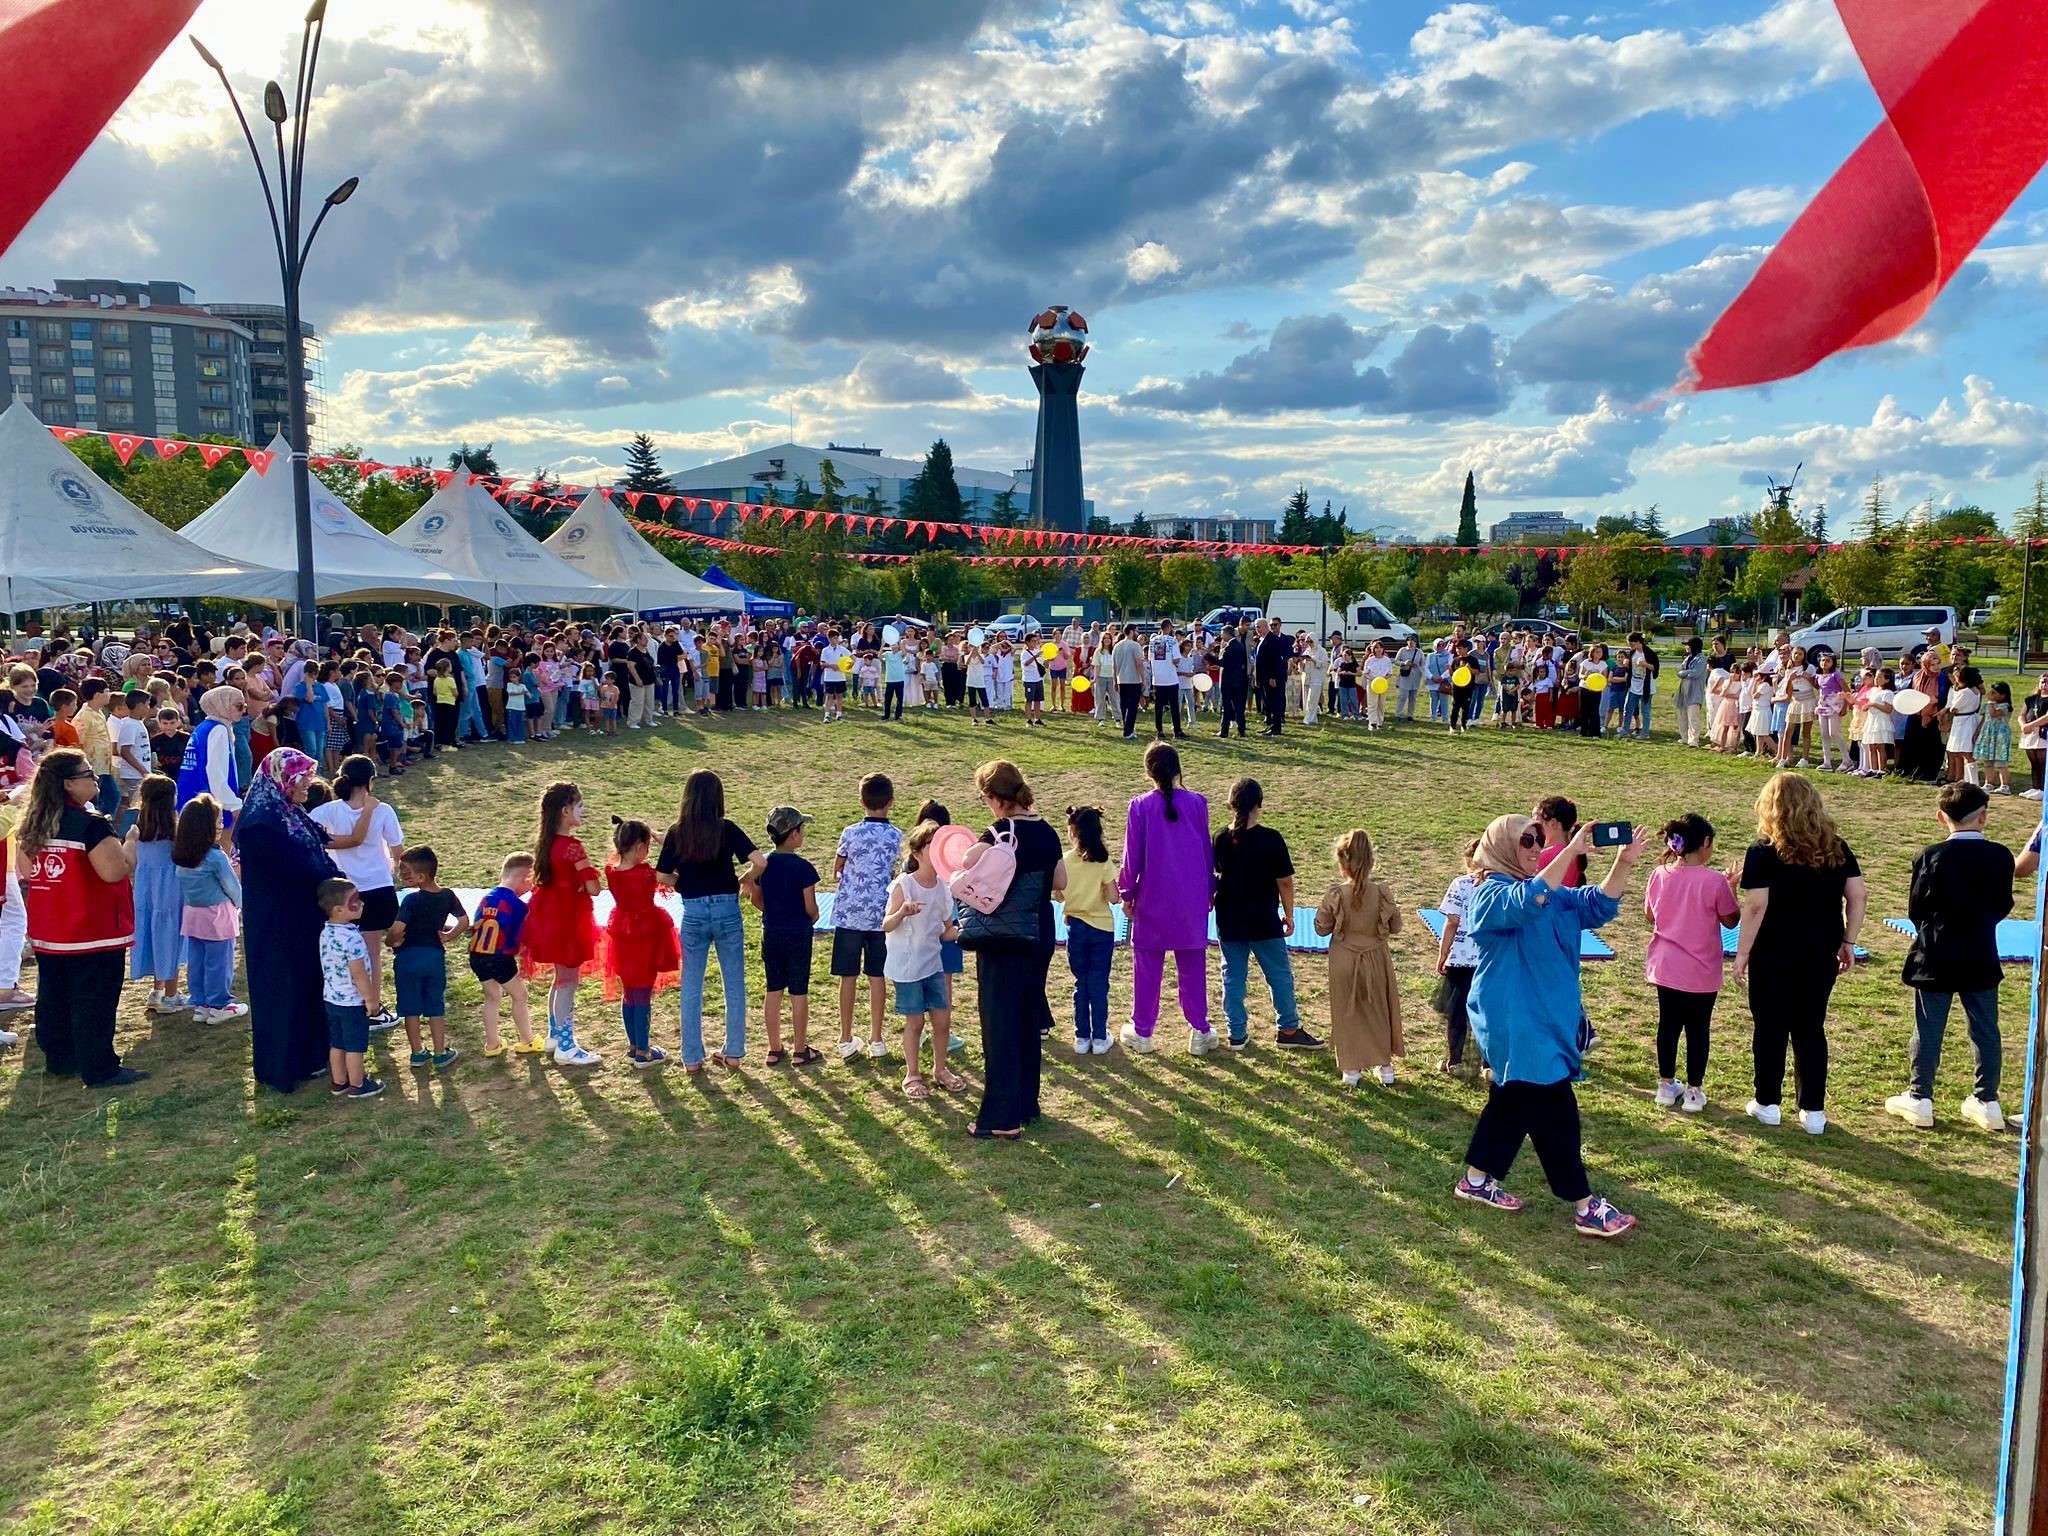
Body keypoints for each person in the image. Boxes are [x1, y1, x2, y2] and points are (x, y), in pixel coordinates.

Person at [1454, 814, 1649, 1238]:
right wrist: (1570, 853)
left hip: (1545, 1017)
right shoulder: (1489, 894)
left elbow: (1598, 904)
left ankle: (1475, 1180)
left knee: (1512, 1102)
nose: (1532, 847)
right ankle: (1584, 1205)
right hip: (1516, 1020)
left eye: (1538, 840)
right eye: (1525, 840)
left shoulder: (1551, 895)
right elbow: (1526, 901)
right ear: (1501, 845)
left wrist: (1624, 863)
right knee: (1555, 1109)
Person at [1733, 772, 1867, 1135]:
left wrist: (1742, 953)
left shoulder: (1763, 851)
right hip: (1821, 949)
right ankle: (1813, 1111)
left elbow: (1756, 906)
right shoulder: (1835, 847)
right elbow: (1858, 895)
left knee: (1770, 1026)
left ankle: (1767, 1103)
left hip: (1773, 951)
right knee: (1811, 1026)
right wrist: (1849, 941)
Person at [1886, 782, 2014, 1131]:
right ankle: (1987, 1099)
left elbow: (1917, 909)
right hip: (1981, 952)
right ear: (1984, 816)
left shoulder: (1930, 856)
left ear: (1941, 817)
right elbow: (2004, 904)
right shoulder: (2001, 856)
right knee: (1986, 1028)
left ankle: (1920, 1096)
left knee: (1928, 1027)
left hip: (1935, 954)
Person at [16, 748, 142, 1086]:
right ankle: (99, 1067)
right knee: (94, 1000)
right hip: (92, 928)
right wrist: (130, 844)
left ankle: (60, 1059)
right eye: (88, 773)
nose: (96, 778)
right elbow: (114, 872)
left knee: (54, 996)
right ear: (69, 784)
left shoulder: (34, 823)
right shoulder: (90, 825)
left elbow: (27, 872)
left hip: (51, 927)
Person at [236, 748, 348, 1093]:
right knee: (282, 988)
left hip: (302, 915)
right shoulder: (262, 823)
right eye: (301, 779)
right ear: (282, 778)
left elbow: (316, 852)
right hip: (278, 921)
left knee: (307, 985)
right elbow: (300, 866)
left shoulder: (289, 811)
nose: (307, 786)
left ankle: (310, 1056)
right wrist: (334, 880)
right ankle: (282, 1065)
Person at [963, 759, 1063, 1138]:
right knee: (1026, 1019)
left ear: (995, 797)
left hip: (1003, 936)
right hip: (1039, 933)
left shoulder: (1000, 831)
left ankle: (1001, 1118)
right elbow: (1058, 879)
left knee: (999, 1023)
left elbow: (965, 863)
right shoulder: (1048, 831)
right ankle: (1026, 1103)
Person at [1117, 743, 1216, 1054]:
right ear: (1178, 770)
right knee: (1193, 965)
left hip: (1153, 898)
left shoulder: (1140, 807)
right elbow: (1205, 851)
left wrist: (1127, 892)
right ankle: (1200, 1029)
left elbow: (1131, 857)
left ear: (1149, 772)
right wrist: (1209, 890)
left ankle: (1142, 1030)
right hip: (1190, 898)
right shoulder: (1197, 804)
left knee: (1147, 966)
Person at [1643, 813, 1739, 1113]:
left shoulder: (1659, 874)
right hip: (1701, 970)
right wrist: (1732, 887)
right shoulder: (1714, 881)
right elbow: (1731, 920)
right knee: (1699, 1029)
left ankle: (1665, 1084)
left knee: (1668, 1026)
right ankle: (1694, 1091)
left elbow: (1650, 915)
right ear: (1706, 843)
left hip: (1666, 967)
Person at [1212, 778, 1310, 1050]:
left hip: (1229, 921)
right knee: (1279, 976)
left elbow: (1214, 877)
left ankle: (1236, 1034)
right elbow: (1285, 882)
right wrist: (1289, 916)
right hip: (1264, 922)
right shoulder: (1271, 839)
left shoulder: (1220, 837)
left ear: (1231, 805)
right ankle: (1288, 1030)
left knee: (1233, 978)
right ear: (1260, 804)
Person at [311, 755, 403, 1029]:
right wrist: (396, 870)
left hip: (343, 892)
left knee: (344, 954)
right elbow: (398, 851)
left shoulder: (326, 812)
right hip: (377, 888)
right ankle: (373, 1008)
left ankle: (348, 1004)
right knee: (371, 954)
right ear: (370, 782)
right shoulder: (382, 810)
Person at [522, 780, 604, 1068]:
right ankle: (566, 1046)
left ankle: (555, 1036)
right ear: (566, 810)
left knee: (561, 980)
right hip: (569, 920)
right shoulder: (572, 847)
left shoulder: (547, 843)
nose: (584, 811)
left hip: (550, 918)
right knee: (569, 981)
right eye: (580, 806)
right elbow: (594, 887)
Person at [1312, 828, 1403, 1086]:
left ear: (1342, 863)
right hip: (1376, 959)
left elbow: (1320, 928)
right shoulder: (1383, 892)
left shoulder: (1336, 895)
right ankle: (1385, 1067)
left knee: (1347, 1013)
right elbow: (1395, 927)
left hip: (1344, 960)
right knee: (1379, 1011)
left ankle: (1351, 1070)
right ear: (1372, 861)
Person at [883, 820, 964, 1100]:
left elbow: (946, 932)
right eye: (933, 845)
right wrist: (902, 912)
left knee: (942, 1020)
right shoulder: (903, 886)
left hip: (933, 965)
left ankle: (940, 1070)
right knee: (915, 1023)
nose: (940, 850)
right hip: (906, 969)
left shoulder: (944, 889)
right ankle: (912, 1074)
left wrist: (968, 930)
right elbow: (886, 925)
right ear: (917, 852)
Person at [830, 773, 901, 1061]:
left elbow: (838, 867)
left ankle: (846, 1037)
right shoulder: (896, 835)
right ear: (891, 802)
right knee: (877, 976)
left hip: (849, 915)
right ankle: (876, 1038)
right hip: (881, 916)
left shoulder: (850, 833)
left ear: (861, 801)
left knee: (847, 976)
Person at [607, 818, 682, 1070]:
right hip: (646, 935)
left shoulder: (611, 871)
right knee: (643, 994)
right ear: (640, 847)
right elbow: (672, 879)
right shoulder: (646, 873)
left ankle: (632, 1045)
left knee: (629, 992)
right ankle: (644, 1051)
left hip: (622, 934)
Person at [386, 845, 466, 1069]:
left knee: (410, 1008)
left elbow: (397, 928)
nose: (402, 875)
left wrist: (390, 941)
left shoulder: (411, 901)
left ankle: (418, 1052)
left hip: (408, 959)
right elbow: (464, 921)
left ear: (421, 877)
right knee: (435, 1005)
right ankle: (440, 1053)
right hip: (434, 958)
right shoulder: (448, 895)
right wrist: (448, 937)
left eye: (405, 871)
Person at [754, 806, 822, 1067]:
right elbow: (810, 907)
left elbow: (756, 899)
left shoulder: (764, 865)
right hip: (798, 934)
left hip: (771, 931)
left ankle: (774, 1048)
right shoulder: (803, 868)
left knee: (773, 989)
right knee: (798, 991)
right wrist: (813, 917)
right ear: (794, 834)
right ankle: (800, 1049)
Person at [171, 793, 245, 1023]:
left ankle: (201, 1002)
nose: (221, 826)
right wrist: (245, 908)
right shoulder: (215, 857)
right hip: (218, 916)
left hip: (193, 915)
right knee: (220, 962)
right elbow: (232, 888)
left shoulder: (182, 857)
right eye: (218, 822)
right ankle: (220, 1003)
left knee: (198, 961)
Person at [317, 879, 385, 1099]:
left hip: (332, 999)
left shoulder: (326, 933)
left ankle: (339, 1082)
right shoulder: (353, 939)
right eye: (355, 901)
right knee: (355, 1045)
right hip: (353, 1002)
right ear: (338, 910)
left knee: (337, 1042)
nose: (362, 903)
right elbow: (359, 974)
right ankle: (358, 1084)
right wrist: (371, 999)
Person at [1061, 804, 1119, 1055]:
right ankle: (1100, 1036)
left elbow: (1059, 894)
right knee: (1099, 983)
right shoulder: (1104, 861)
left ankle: (1081, 1036)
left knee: (1080, 982)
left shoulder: (1064, 861)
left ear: (1073, 831)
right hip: (1102, 928)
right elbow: (1114, 897)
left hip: (1076, 927)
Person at [469, 853, 539, 1058]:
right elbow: (521, 936)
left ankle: (492, 1043)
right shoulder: (517, 905)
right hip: (499, 957)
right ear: (526, 877)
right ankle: (527, 1040)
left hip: (477, 955)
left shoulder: (486, 898)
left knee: (492, 996)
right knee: (520, 995)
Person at [126, 775, 185, 1015]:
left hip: (145, 894)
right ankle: (171, 995)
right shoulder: (173, 831)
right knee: (170, 941)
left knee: (153, 936)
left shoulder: (138, 829)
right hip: (170, 894)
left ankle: (157, 990)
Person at [1433, 840, 1482, 1076]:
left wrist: (1443, 953)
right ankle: (1488, 1065)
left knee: (1457, 1013)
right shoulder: (1501, 884)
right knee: (1487, 1013)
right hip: (1488, 961)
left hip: (1461, 961)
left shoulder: (1460, 884)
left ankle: (1455, 1061)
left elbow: (1451, 922)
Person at [1976, 681, 2015, 794]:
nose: (1991, 694)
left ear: (2002, 695)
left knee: (2000, 762)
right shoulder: (1987, 705)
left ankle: (2005, 785)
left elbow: (1994, 714)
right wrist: (1977, 731)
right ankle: (1989, 783)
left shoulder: (2005, 707)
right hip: (1988, 735)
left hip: (2000, 736)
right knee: (1988, 761)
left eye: (1994, 693)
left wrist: (1991, 703)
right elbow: (1984, 719)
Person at [1255, 620, 1292, 735]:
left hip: (1273, 678)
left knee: (1274, 702)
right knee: (1267, 702)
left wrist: (1273, 677)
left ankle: (1276, 727)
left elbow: (1276, 661)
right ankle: (1270, 725)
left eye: (1259, 627)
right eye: (1256, 627)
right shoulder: (1261, 640)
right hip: (1263, 677)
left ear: (1266, 627)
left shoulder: (1273, 640)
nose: (1257, 629)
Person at [1112, 625, 1146, 740]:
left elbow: (1114, 666)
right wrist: (1143, 679)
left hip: (1121, 679)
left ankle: (1127, 727)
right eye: (1136, 630)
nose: (1137, 633)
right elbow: (1139, 663)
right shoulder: (1135, 645)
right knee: (1132, 706)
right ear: (1131, 631)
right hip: (1133, 679)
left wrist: (1115, 680)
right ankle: (1128, 731)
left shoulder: (1117, 646)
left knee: (1124, 705)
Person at [1218, 622, 1250, 738]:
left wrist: (1208, 657)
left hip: (1228, 681)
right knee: (1239, 707)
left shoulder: (1230, 647)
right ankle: (1242, 730)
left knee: (1226, 706)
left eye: (1222, 634)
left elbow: (1224, 662)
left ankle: (1224, 730)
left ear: (1227, 634)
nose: (1221, 636)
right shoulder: (1240, 645)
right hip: (1238, 680)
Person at [1675, 636, 1707, 747]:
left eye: (1688, 646)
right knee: (1682, 715)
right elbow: (1679, 671)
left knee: (1693, 716)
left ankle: (1694, 740)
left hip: (1694, 690)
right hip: (1684, 689)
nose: (1686, 648)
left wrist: (1684, 673)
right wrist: (1685, 673)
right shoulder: (1688, 658)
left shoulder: (1702, 659)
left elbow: (1695, 673)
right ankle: (1684, 737)